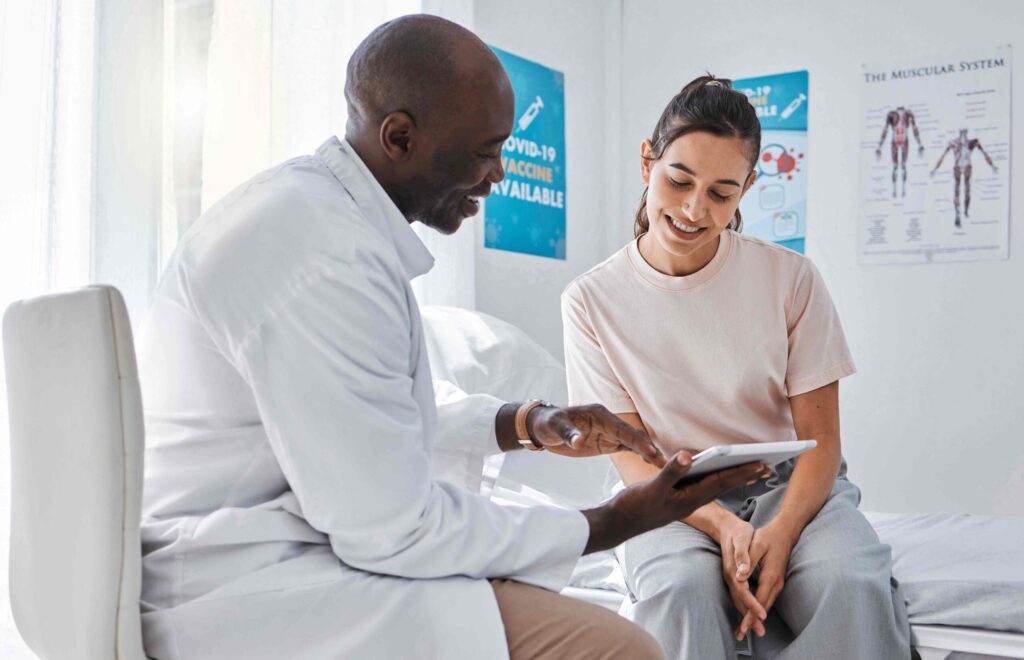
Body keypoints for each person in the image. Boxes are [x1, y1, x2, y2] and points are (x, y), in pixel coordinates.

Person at [137, 17, 767, 660]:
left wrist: (528, 422)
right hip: (244, 583)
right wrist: (611, 522)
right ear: (401, 137)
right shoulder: (323, 258)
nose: (497, 175)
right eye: (483, 151)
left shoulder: (318, 219)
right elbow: (390, 527)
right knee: (623, 649)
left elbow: (367, 416)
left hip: (279, 543)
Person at [562, 76, 912, 659]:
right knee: (680, 591)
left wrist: (780, 533)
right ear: (647, 160)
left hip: (789, 486)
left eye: (722, 193)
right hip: (666, 494)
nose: (694, 210)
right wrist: (723, 527)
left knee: (848, 583)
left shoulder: (791, 279)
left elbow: (821, 441)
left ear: (748, 188)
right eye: (679, 181)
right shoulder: (591, 299)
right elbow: (626, 452)